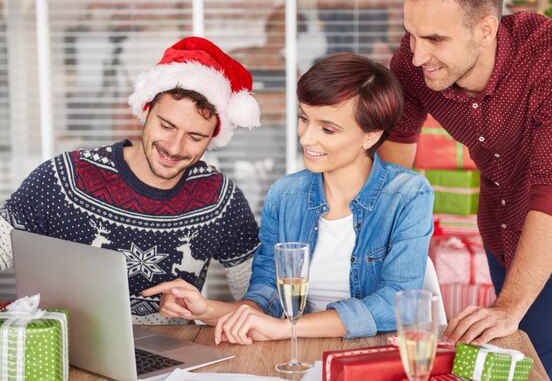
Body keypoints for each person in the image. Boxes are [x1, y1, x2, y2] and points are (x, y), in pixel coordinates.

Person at [377, 0, 552, 379]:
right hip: (501, 222)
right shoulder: (414, 62)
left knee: (525, 363)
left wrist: (509, 306)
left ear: (486, 29)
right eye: (411, 34)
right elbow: (395, 160)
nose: (417, 55)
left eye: (435, 38)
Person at [142, 52, 434, 342]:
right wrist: (207, 309)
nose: (306, 137)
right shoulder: (286, 194)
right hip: (295, 353)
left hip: (372, 356)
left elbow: (397, 303)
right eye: (304, 119)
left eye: (327, 129)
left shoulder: (407, 195)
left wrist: (288, 328)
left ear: (370, 135)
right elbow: (266, 293)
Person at [0, 36, 262, 324]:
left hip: (174, 357)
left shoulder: (220, 198)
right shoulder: (64, 177)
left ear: (212, 138)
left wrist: (207, 308)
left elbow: (260, 299)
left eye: (195, 137)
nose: (174, 148)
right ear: (146, 110)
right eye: (167, 126)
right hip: (71, 355)